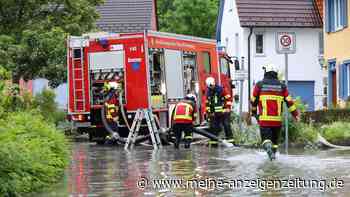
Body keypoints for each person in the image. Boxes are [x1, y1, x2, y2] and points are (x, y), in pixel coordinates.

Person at [251, 65, 299, 160]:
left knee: (266, 140)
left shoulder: (259, 85)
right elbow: (289, 102)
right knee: (275, 143)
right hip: (277, 121)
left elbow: (253, 101)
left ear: (266, 72)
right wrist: (295, 115)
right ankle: (273, 159)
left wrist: (253, 113)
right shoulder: (282, 86)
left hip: (264, 120)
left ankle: (268, 150)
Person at [205, 77, 234, 146]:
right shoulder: (208, 92)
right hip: (214, 114)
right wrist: (209, 113)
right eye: (210, 86)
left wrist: (227, 108)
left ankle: (231, 141)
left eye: (212, 85)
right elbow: (208, 103)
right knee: (213, 128)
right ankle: (213, 144)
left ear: (214, 83)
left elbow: (228, 99)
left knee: (226, 126)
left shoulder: (221, 90)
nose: (211, 87)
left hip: (224, 112)